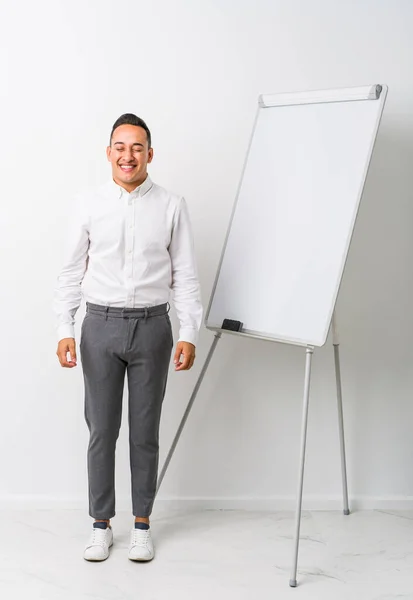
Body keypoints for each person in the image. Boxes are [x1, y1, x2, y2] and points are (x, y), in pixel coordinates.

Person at [54, 114, 203, 562]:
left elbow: (186, 275)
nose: (128, 155)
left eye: (137, 147)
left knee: (145, 432)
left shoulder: (172, 205)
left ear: (149, 154)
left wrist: (189, 331)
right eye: (120, 147)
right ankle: (100, 525)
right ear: (108, 152)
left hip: (153, 327)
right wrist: (64, 327)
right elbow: (69, 272)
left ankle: (141, 524)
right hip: (98, 326)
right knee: (102, 430)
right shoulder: (87, 204)